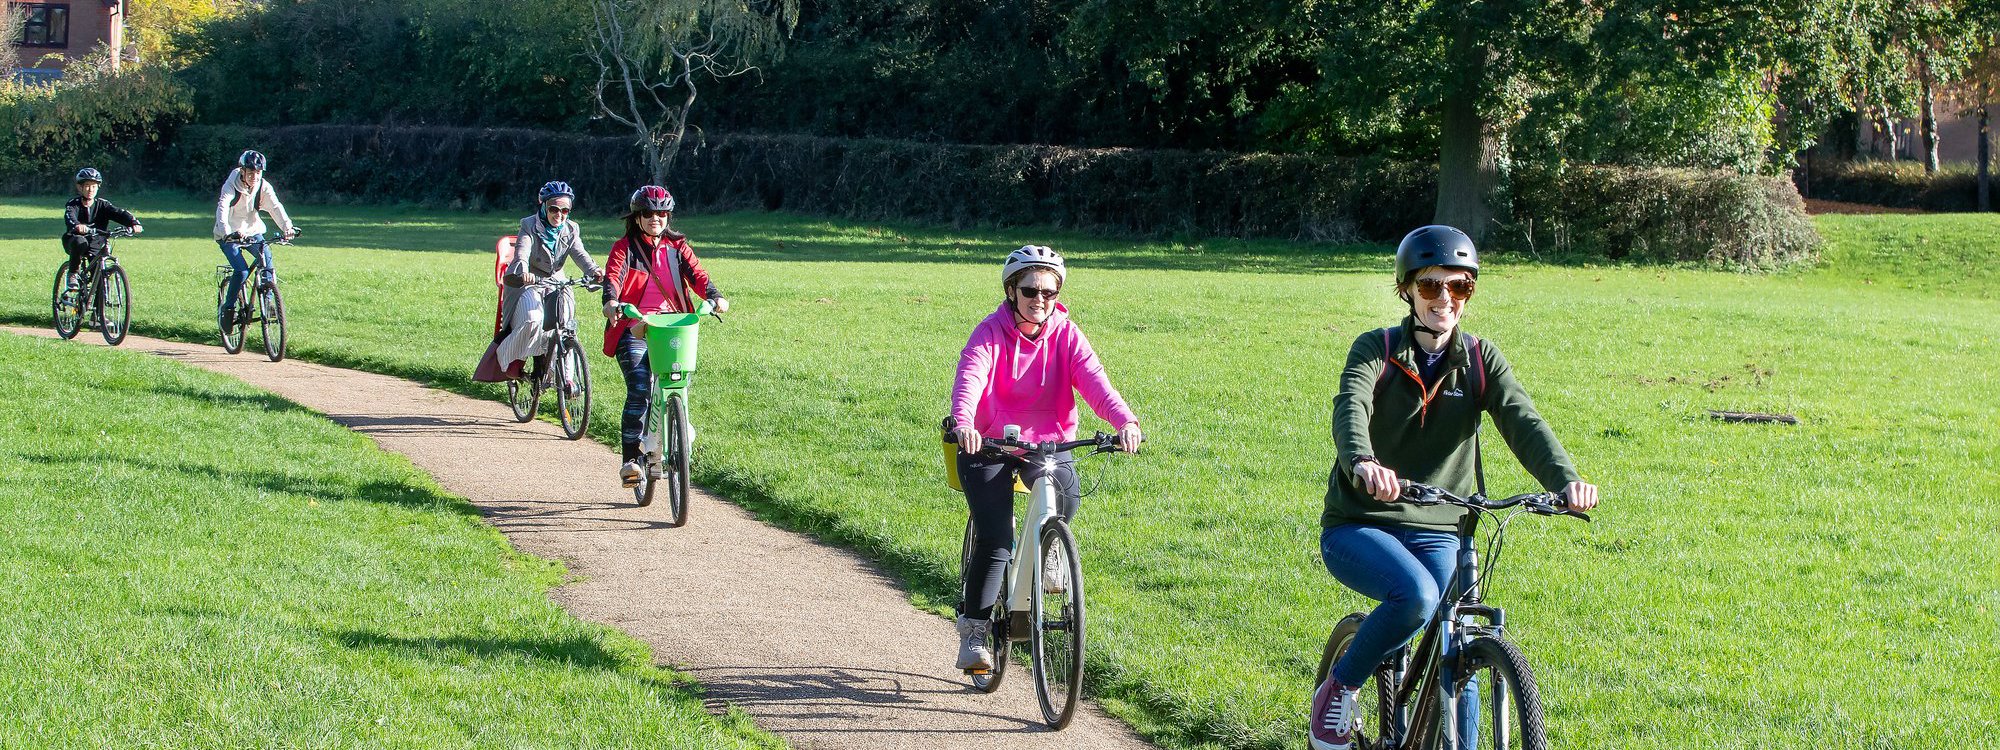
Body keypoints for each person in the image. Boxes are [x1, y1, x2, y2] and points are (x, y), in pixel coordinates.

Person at [1308, 225, 1600, 750]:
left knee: (1453, 628)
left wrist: (1567, 481)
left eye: (1459, 287)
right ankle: (1340, 687)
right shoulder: (1378, 348)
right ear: (1407, 290)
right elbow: (1351, 405)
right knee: (1416, 596)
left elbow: (1523, 422)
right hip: (1360, 522)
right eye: (1431, 287)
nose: (1446, 300)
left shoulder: (1482, 361)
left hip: (1443, 526)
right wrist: (1363, 462)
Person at [946, 245, 1143, 672]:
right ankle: (976, 630)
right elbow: (971, 376)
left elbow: (1095, 382)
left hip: (1048, 444)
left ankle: (1050, 544)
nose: (1040, 300)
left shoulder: (1067, 335)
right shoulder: (989, 332)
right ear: (1012, 290)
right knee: (996, 539)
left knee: (1065, 499)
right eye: (1031, 290)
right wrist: (964, 422)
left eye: (1049, 293)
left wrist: (1124, 421)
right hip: (988, 445)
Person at [599, 185, 728, 486]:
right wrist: (611, 303)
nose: (655, 218)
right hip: (634, 326)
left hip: (672, 325)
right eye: (648, 213)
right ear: (637, 217)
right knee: (640, 388)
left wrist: (715, 296)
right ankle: (631, 459)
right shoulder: (625, 248)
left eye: (661, 213)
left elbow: (699, 276)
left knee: (678, 384)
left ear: (668, 216)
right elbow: (613, 278)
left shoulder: (678, 246)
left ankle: (674, 433)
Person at [497, 180, 602, 380]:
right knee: (533, 319)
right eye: (554, 208)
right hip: (527, 281)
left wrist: (595, 270)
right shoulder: (528, 224)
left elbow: (580, 254)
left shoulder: (571, 229)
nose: (559, 215)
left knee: (566, 326)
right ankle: (507, 358)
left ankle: (567, 379)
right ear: (543, 205)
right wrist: (523, 271)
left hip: (556, 280)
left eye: (565, 210)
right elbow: (522, 252)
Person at [213, 150, 298, 327]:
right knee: (242, 270)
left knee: (266, 260)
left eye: (258, 173)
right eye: (251, 173)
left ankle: (268, 302)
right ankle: (228, 310)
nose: (254, 177)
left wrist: (287, 227)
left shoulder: (263, 186)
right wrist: (228, 232)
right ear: (242, 171)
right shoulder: (231, 185)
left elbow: (275, 207)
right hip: (229, 235)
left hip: (252, 231)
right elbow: (222, 207)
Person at [61, 168, 143, 299]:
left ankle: (99, 317)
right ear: (80, 187)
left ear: (98, 187)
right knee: (79, 241)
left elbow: (119, 213)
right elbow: (70, 217)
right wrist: (77, 226)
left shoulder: (103, 205)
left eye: (93, 186)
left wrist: (133, 223)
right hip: (75, 241)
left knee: (100, 278)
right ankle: (73, 274)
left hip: (96, 243)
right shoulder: (73, 204)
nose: (90, 190)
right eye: (87, 186)